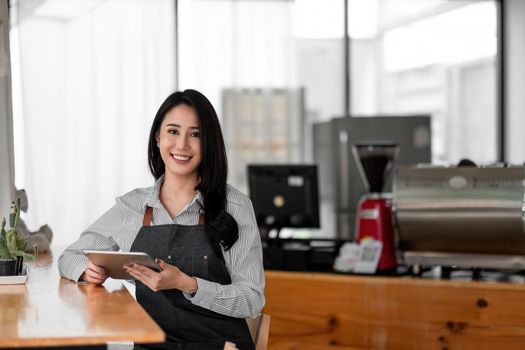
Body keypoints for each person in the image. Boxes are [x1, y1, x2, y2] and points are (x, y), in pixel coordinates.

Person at [58, 89, 265, 350]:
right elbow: (70, 256)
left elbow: (252, 299)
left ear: (209, 142)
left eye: (196, 134)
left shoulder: (235, 206)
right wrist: (88, 272)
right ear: (158, 136)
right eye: (173, 131)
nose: (182, 146)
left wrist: (186, 284)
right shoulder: (133, 207)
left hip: (221, 346)